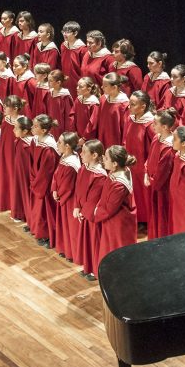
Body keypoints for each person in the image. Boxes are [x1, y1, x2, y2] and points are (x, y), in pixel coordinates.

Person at [92, 145, 138, 275]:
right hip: (113, 218)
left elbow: (110, 208)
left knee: (117, 249)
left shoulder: (119, 183)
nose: (103, 159)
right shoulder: (118, 171)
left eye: (106, 158)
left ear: (115, 163)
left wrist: (95, 213)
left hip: (119, 222)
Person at [73, 139, 108, 281]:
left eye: (84, 152)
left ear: (94, 155)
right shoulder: (84, 167)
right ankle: (87, 266)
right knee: (86, 241)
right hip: (83, 212)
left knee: (94, 242)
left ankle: (95, 269)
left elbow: (94, 198)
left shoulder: (99, 175)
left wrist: (83, 211)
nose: (81, 154)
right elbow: (78, 189)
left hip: (91, 215)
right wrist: (76, 205)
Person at [123, 90, 154, 225]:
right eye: (130, 103)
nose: (129, 107)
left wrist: (148, 167)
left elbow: (154, 147)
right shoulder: (130, 119)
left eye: (133, 104)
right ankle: (139, 219)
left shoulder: (150, 124)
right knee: (134, 192)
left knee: (144, 194)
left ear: (143, 107)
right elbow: (125, 138)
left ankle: (147, 221)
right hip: (131, 163)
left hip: (144, 165)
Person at [28, 115, 60, 247]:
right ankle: (37, 229)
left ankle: (47, 235)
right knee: (37, 209)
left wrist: (36, 182)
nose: (32, 128)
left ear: (43, 130)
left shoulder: (49, 147)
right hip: (36, 180)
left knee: (46, 211)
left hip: (45, 185)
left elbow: (46, 172)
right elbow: (31, 160)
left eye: (35, 126)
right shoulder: (35, 140)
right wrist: (32, 177)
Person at [145, 108, 176, 239]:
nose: (152, 125)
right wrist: (146, 172)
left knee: (162, 214)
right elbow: (150, 157)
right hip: (153, 182)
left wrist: (152, 181)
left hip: (162, 187)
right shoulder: (157, 137)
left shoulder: (169, 146)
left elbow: (163, 172)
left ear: (164, 127)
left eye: (155, 123)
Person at [52, 132, 81, 261]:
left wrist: (59, 194)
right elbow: (56, 175)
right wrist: (54, 189)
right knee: (64, 225)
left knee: (71, 227)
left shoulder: (72, 163)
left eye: (59, 142)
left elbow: (67, 185)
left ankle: (72, 253)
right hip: (62, 197)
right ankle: (65, 248)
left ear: (68, 146)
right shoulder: (64, 156)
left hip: (68, 199)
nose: (57, 144)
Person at [11, 115, 35, 226]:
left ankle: (29, 218)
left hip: (27, 175)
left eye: (16, 128)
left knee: (26, 194)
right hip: (19, 173)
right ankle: (21, 214)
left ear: (25, 131)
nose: (13, 130)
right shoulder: (20, 141)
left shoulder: (29, 144)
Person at [98, 73, 130, 148]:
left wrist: (124, 145)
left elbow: (126, 128)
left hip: (115, 142)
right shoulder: (103, 99)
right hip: (102, 138)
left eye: (105, 86)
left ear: (114, 87)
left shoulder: (123, 104)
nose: (102, 87)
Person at [60, 21, 87, 96]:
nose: (64, 34)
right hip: (65, 81)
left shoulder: (82, 49)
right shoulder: (63, 46)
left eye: (68, 32)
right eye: (63, 31)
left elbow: (84, 68)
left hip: (76, 82)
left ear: (75, 33)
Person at [46, 70, 73, 139]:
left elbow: (68, 115)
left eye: (51, 81)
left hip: (61, 126)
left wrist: (67, 131)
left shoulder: (64, 96)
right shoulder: (50, 93)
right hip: (51, 124)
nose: (48, 83)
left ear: (58, 82)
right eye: (48, 80)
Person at [73, 77, 100, 145]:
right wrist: (74, 132)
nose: (77, 88)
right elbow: (72, 115)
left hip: (88, 138)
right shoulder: (78, 99)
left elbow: (92, 123)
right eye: (77, 86)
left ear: (89, 89)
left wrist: (84, 138)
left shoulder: (93, 103)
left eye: (80, 87)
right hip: (77, 135)